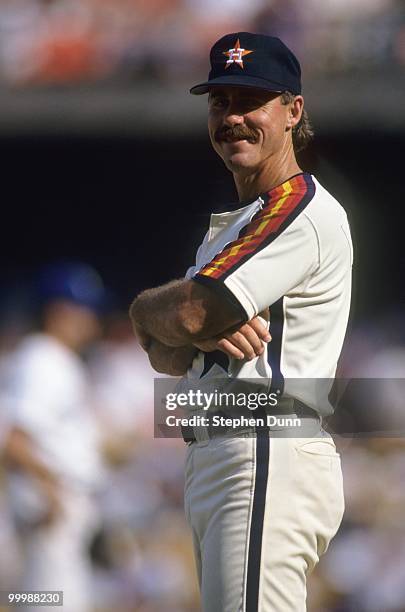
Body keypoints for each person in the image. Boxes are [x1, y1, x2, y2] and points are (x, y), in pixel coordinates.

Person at [129, 32, 352, 611]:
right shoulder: (233, 227)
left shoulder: (297, 204)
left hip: (263, 446)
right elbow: (166, 353)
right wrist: (181, 322)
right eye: (220, 101)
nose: (233, 118)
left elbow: (185, 313)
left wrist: (153, 311)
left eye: (251, 101)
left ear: (292, 110)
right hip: (222, 451)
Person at [1, 262, 106, 612]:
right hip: (51, 508)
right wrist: (50, 490)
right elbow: (13, 438)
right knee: (55, 605)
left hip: (60, 506)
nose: (92, 320)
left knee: (43, 601)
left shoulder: (54, 359)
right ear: (59, 311)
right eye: (85, 310)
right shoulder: (42, 359)